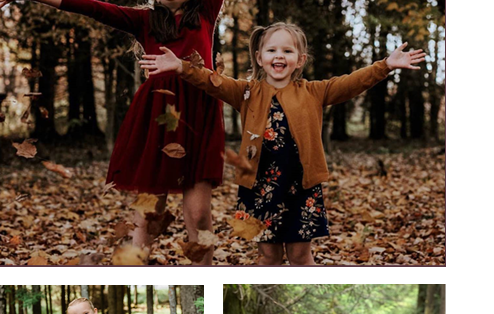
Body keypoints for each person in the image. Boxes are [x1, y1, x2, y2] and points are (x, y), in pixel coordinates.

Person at [0, 0, 278, 264]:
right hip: (156, 117)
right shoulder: (144, 21)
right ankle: (137, 265)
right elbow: (93, 7)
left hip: (199, 116)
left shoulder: (204, 13)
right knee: (147, 213)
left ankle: (205, 272)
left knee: (199, 216)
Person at [140, 23, 424, 264]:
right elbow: (211, 81)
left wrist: (385, 66)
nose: (279, 56)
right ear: (260, 57)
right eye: (272, 50)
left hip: (302, 187)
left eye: (287, 51)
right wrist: (181, 66)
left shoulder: (314, 91)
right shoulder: (247, 92)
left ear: (299, 60)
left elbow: (351, 83)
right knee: (267, 257)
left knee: (301, 256)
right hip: (259, 187)